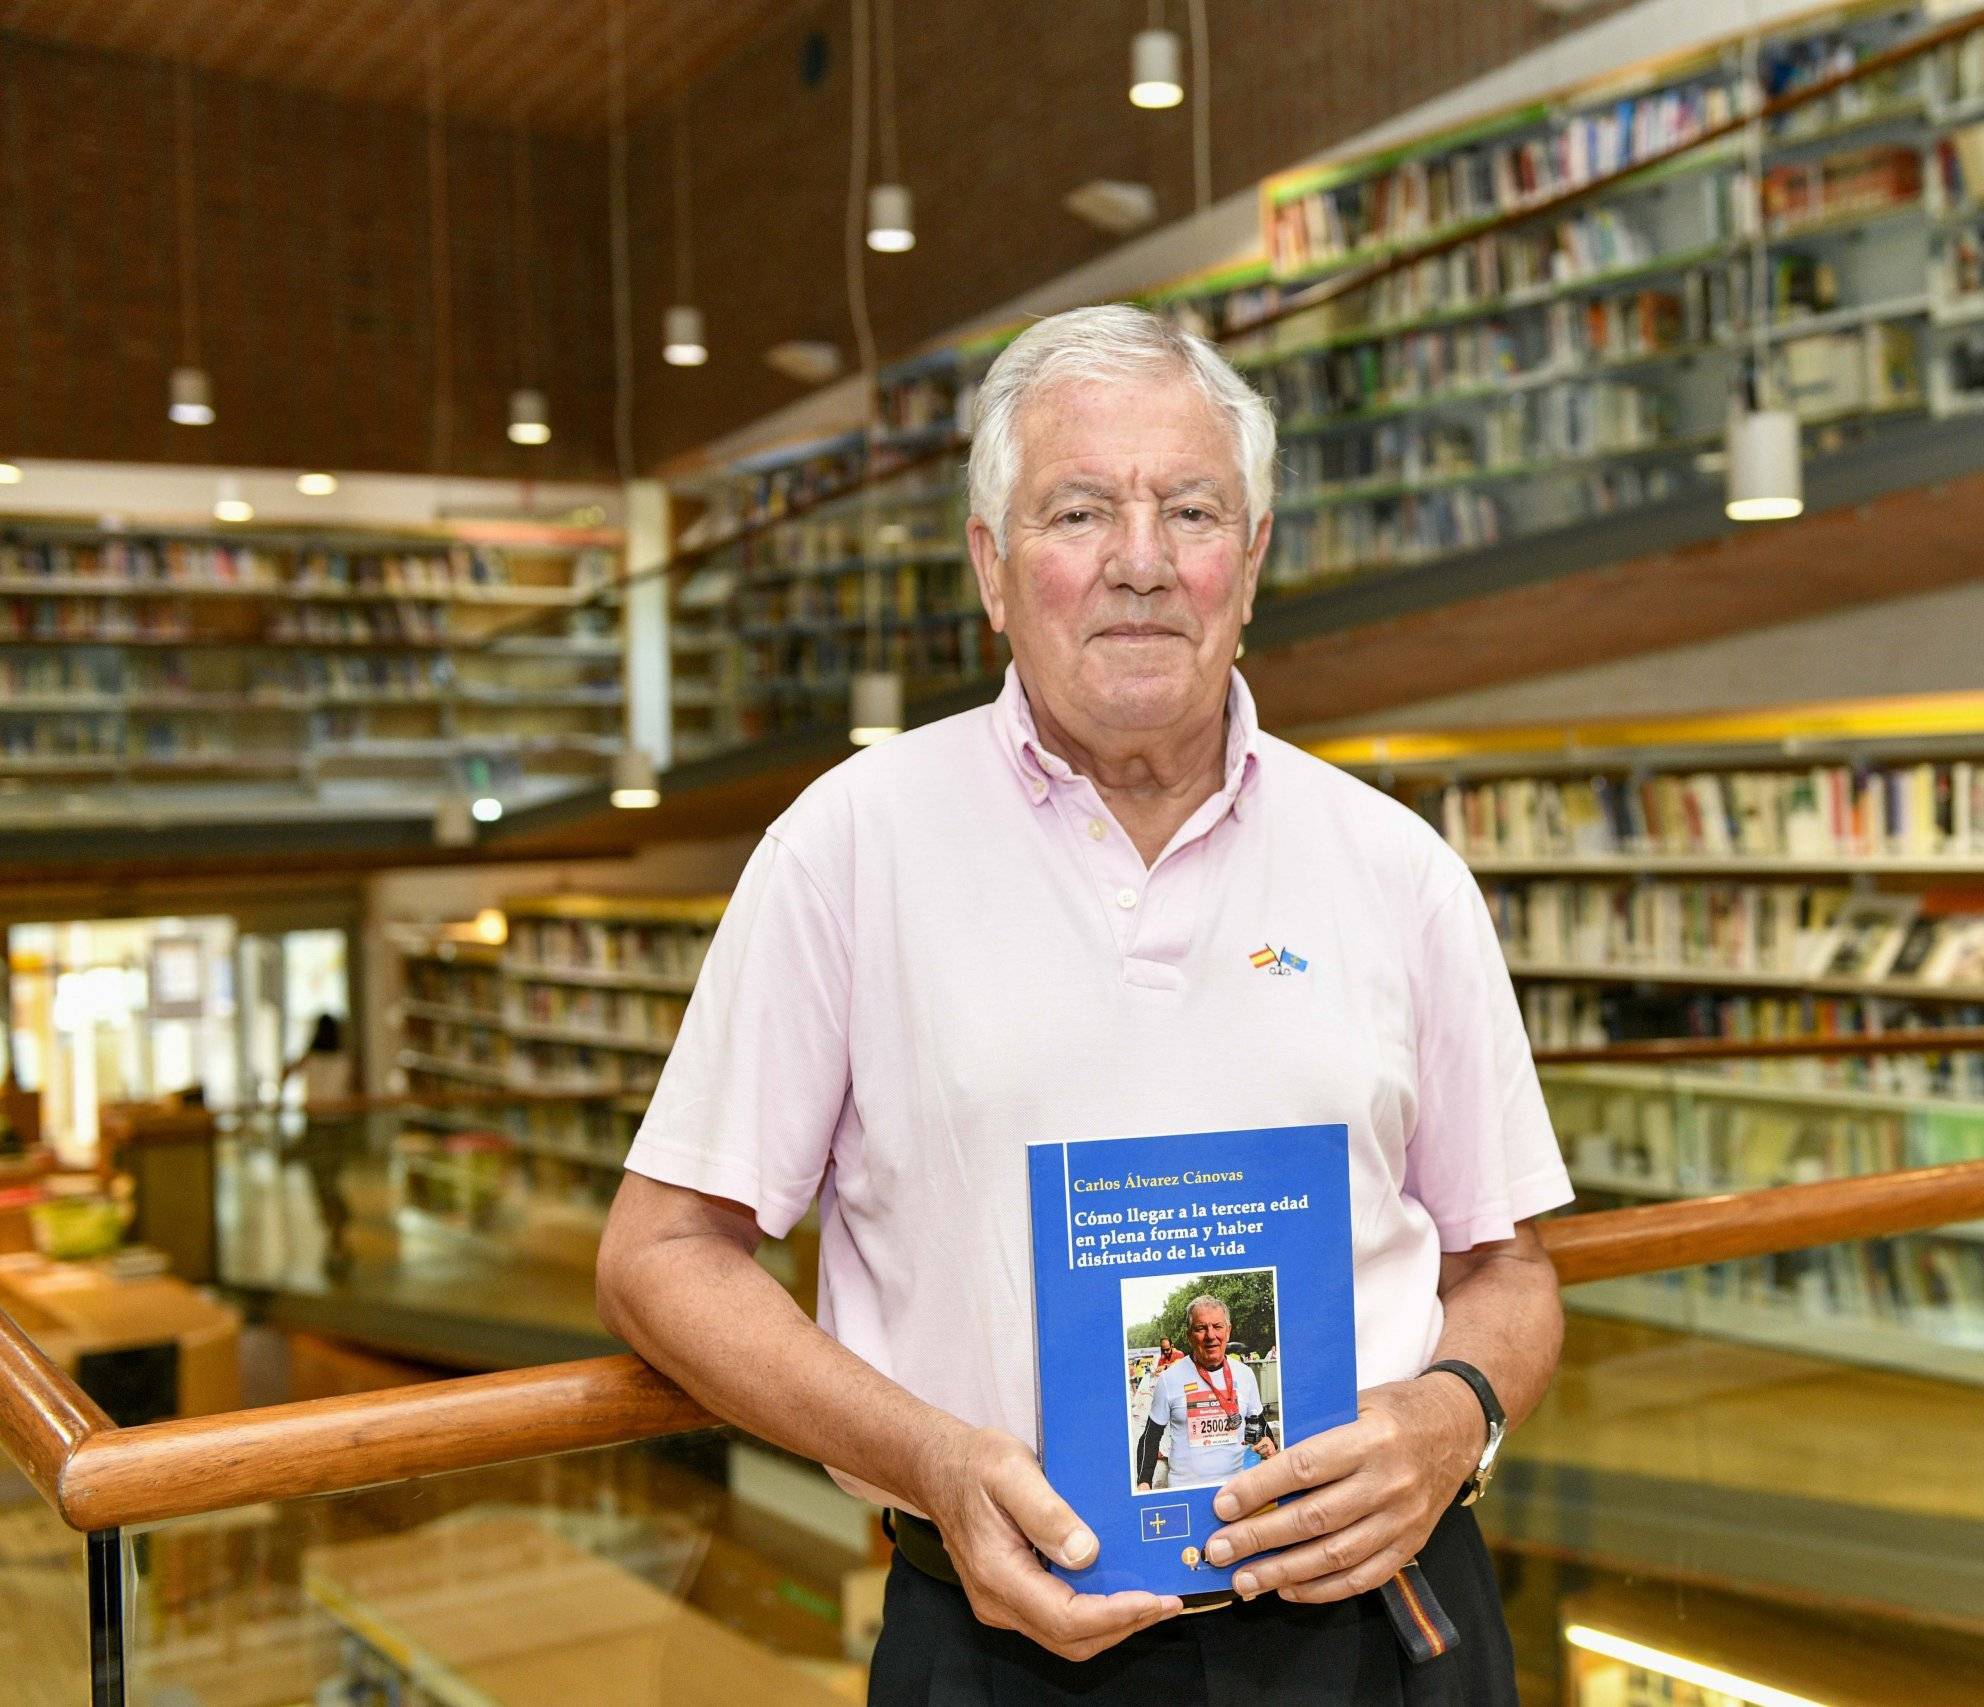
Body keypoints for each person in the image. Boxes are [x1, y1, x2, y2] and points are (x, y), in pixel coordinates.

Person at [595, 304, 1570, 1702]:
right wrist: (932, 1450)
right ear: (992, 567)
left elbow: (1512, 1265)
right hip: (1003, 1643)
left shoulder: (1397, 865)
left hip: (1378, 1624)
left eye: (1190, 508)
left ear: (1255, 560)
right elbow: (660, 1252)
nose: (1141, 561)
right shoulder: (850, 842)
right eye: (1077, 511)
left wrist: (1454, 1412)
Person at [1135, 1296, 1276, 1491]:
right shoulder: (1169, 1379)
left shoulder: (1245, 1374)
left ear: (1228, 1331)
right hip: (1187, 1490)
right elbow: (1150, 1438)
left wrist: (1270, 1446)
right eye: (1201, 1328)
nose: (1211, 1336)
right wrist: (1143, 1483)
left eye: (1217, 1326)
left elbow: (1261, 1427)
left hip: (1238, 1488)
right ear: (1189, 1336)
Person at [282, 1014, 357, 1281]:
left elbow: (286, 1073)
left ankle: (337, 1230)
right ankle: (337, 1230)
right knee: (326, 1181)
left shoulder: (313, 1059)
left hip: (322, 1127)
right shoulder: (342, 1060)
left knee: (324, 1182)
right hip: (331, 1128)